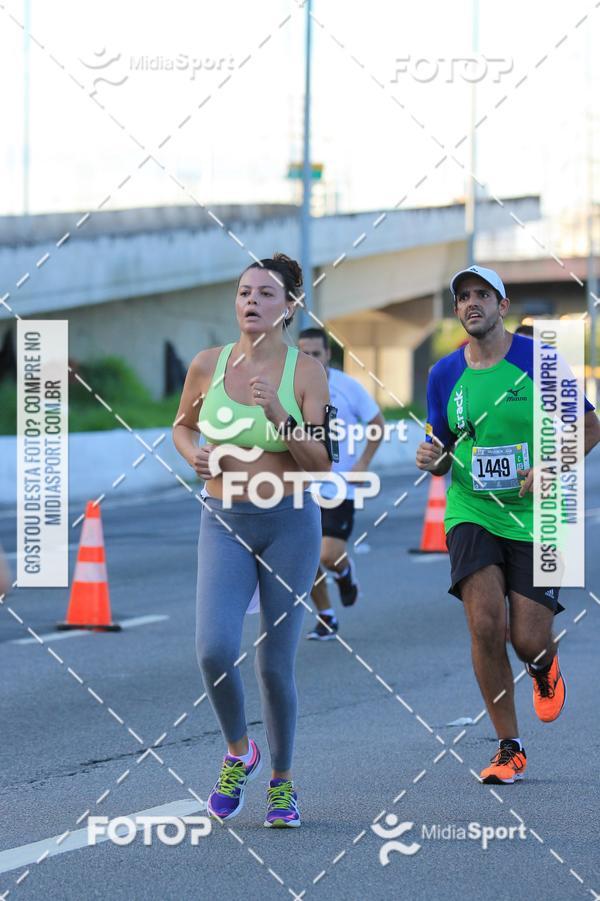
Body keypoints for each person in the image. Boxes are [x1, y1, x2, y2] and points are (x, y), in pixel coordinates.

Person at [416, 264, 600, 785]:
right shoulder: (444, 374)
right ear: (457, 311)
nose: (471, 303)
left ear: (503, 304)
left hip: (541, 513)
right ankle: (508, 747)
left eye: (482, 295)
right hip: (472, 509)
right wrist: (433, 457)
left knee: (527, 637)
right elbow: (445, 447)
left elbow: (589, 427)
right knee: (484, 624)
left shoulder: (539, 360)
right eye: (463, 297)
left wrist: (550, 466)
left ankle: (544, 667)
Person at [173, 253, 331, 827]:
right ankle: (241, 751)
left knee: (273, 662)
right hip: (223, 518)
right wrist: (195, 454)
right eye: (244, 292)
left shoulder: (307, 372)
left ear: (289, 306)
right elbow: (183, 424)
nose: (252, 302)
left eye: (266, 294)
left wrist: (281, 415)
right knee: (213, 648)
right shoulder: (208, 366)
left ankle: (282, 784)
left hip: (289, 520)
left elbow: (321, 462)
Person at [298, 328, 384, 640]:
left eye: (315, 353)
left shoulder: (348, 387)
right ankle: (326, 616)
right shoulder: (291, 388)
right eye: (303, 353)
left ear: (328, 355)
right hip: (301, 487)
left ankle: (344, 574)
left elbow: (376, 424)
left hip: (339, 486)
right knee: (303, 558)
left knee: (327, 555)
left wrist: (362, 463)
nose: (309, 359)